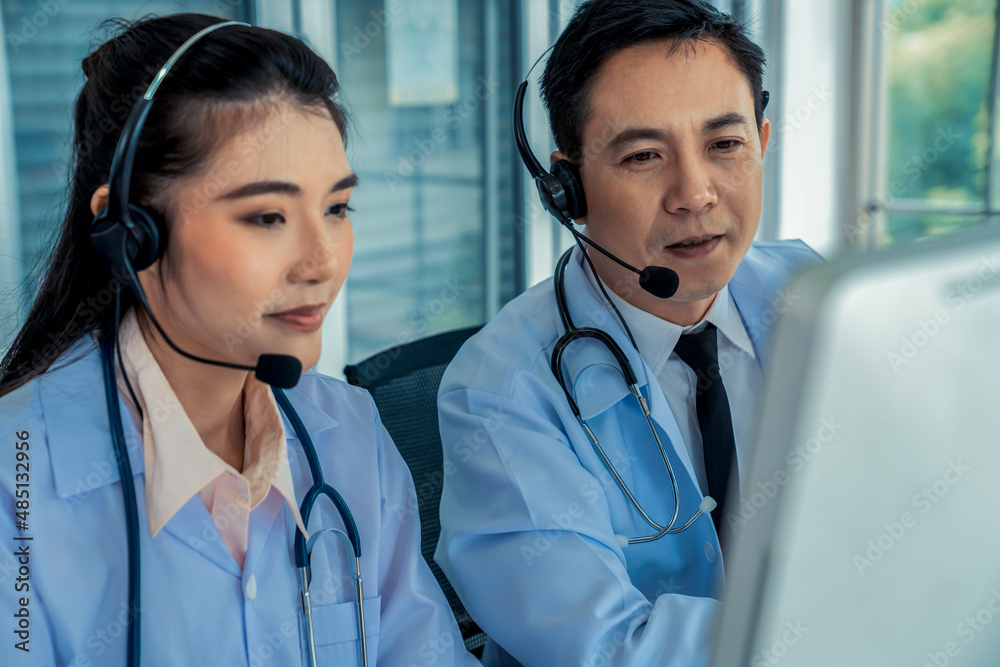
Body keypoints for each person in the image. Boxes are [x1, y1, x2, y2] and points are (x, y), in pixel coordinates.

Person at [0, 14, 479, 667]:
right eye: (266, 216)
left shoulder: (349, 430)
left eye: (336, 208)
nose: (321, 260)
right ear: (132, 233)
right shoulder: (15, 479)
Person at [434, 1, 822, 665]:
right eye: (644, 155)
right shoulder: (498, 389)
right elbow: (610, 649)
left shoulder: (818, 299)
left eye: (724, 144)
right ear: (567, 188)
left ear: (761, 141)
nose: (695, 193)